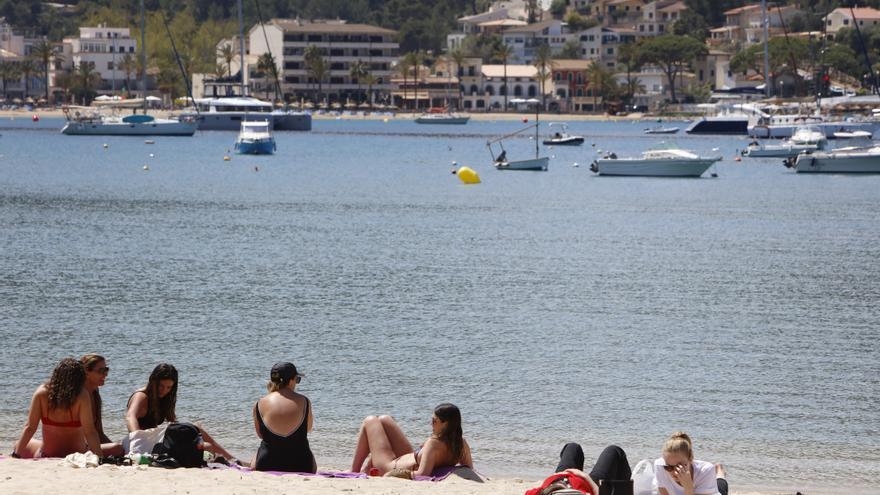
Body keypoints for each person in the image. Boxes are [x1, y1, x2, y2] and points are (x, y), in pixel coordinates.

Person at [126, 363, 236, 460]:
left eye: (168, 387)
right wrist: (137, 444)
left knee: (204, 443)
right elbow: (131, 417)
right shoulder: (141, 396)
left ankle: (227, 459)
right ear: (153, 380)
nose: (164, 390)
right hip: (144, 445)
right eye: (161, 386)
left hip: (157, 442)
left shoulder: (164, 398)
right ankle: (232, 459)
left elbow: (172, 423)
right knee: (197, 431)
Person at [12, 358, 103, 458]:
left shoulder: (41, 393)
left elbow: (30, 428)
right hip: (76, 455)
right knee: (116, 448)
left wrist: (16, 455)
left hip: (45, 455)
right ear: (80, 378)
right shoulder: (81, 395)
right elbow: (90, 431)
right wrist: (99, 458)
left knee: (18, 444)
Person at [351, 403, 472, 478]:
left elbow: (422, 474)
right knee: (384, 419)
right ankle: (366, 468)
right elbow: (469, 469)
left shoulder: (433, 443)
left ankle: (354, 470)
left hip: (389, 466)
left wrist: (395, 474)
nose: (431, 424)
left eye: (435, 421)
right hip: (408, 457)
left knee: (370, 420)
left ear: (446, 424)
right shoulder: (461, 443)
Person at [252, 362, 316, 472]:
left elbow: (260, 434)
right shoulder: (304, 401)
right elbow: (308, 428)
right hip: (302, 464)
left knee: (255, 457)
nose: (296, 383)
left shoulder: (259, 403)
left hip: (267, 463)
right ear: (291, 380)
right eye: (297, 379)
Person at [525, 443, 632, 495]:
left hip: (560, 476)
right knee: (614, 451)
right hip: (588, 483)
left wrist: (553, 480)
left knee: (572, 447)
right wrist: (585, 477)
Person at [654, 432, 728, 495]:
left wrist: (688, 486)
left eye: (679, 466)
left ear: (690, 459)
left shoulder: (706, 470)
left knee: (721, 486)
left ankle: (719, 469)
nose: (674, 472)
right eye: (669, 467)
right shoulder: (660, 466)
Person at [80, 354, 123, 456]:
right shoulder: (79, 396)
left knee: (121, 448)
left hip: (90, 444)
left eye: (106, 370)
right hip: (78, 445)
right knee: (117, 448)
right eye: (100, 371)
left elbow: (99, 433)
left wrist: (115, 447)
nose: (105, 374)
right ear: (86, 372)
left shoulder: (95, 393)